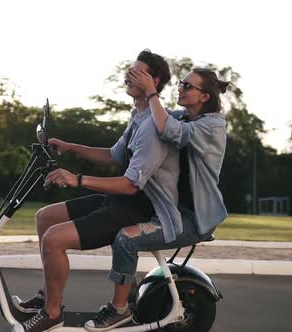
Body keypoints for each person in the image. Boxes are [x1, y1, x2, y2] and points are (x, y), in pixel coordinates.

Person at [12, 50, 179, 332]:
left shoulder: (153, 126)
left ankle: (53, 314)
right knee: (45, 217)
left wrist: (77, 179)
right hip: (120, 200)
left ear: (154, 80)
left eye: (136, 71)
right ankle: (47, 297)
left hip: (136, 207)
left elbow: (130, 183)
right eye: (129, 69)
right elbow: (113, 155)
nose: (127, 74)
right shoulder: (138, 115)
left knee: (54, 239)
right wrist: (70, 146)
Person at [84, 67, 230, 331]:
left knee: (126, 238)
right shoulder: (184, 116)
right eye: (181, 84)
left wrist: (151, 91)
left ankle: (118, 310)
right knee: (122, 230)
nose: (181, 88)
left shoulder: (212, 126)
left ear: (205, 97)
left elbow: (166, 128)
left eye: (188, 86)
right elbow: (151, 120)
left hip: (192, 219)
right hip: (170, 211)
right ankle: (128, 299)